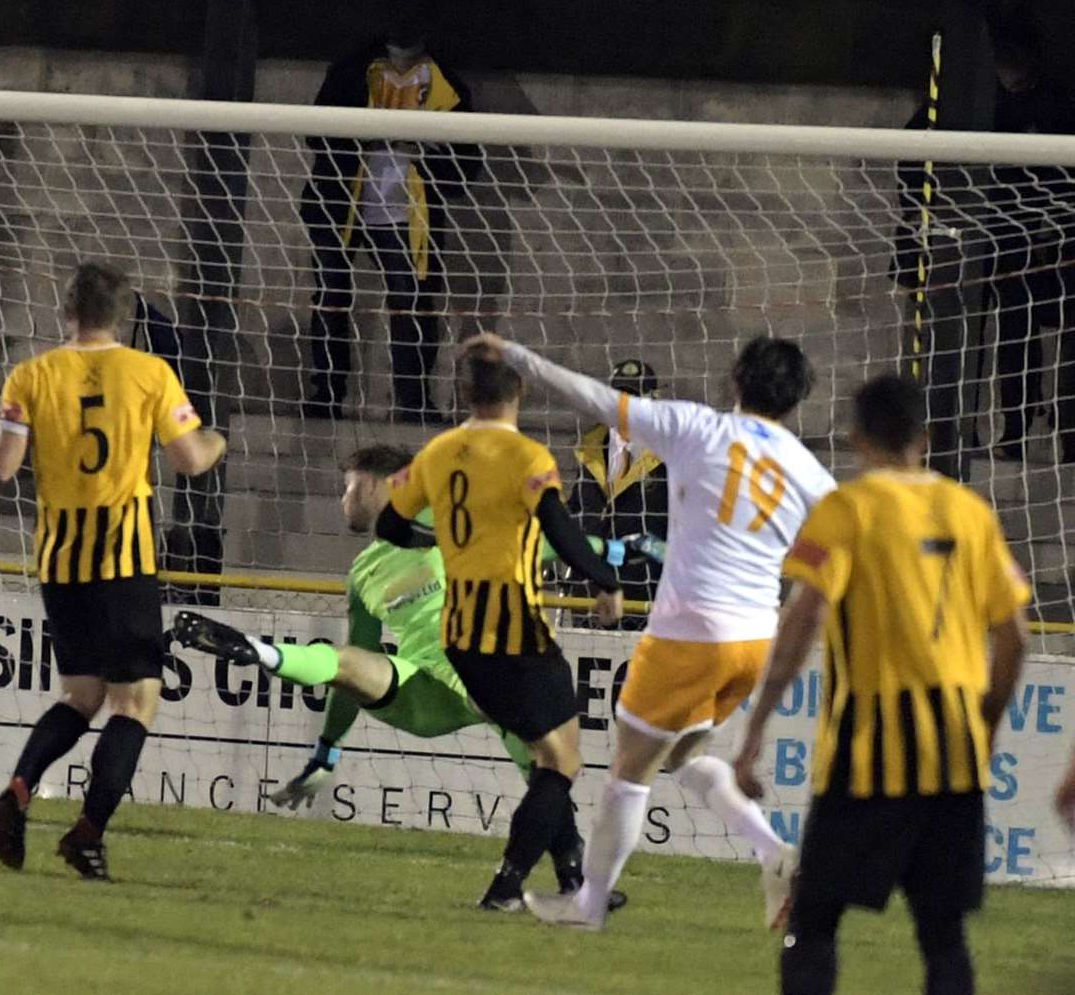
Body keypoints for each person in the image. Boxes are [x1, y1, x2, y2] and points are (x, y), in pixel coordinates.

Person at [173, 444, 641, 910]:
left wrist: (620, 550)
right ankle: (259, 651)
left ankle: (570, 876)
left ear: (377, 484)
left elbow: (545, 540)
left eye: (348, 488)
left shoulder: (454, 528)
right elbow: (355, 672)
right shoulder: (363, 571)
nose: (343, 501)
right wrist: (327, 749)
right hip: (424, 692)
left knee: (536, 754)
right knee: (347, 660)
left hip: (479, 670)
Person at [490, 333, 834, 933]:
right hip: (756, 641)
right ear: (796, 399)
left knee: (628, 772)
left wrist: (518, 357)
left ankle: (587, 906)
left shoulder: (693, 426)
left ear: (736, 379)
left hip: (689, 634)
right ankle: (773, 850)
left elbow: (593, 397)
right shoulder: (809, 469)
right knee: (686, 753)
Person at [0, 262, 227, 880]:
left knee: (80, 696)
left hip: (61, 562)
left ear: (68, 312)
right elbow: (191, 460)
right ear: (123, 317)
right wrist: (217, 439)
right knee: (133, 704)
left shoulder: (32, 374)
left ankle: (20, 789)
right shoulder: (150, 372)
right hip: (125, 559)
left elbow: (1, 468)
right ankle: (86, 834)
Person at [731, 374, 1030, 995]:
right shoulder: (970, 512)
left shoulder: (845, 510)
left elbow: (803, 618)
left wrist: (756, 728)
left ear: (857, 437)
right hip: (953, 753)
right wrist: (987, 725)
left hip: (865, 755)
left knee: (812, 920)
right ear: (926, 436)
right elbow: (1015, 636)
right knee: (942, 935)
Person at [371, 345, 625, 910]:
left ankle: (572, 878)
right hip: (515, 632)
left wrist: (438, 542)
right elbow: (558, 526)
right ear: (521, 393)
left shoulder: (437, 453)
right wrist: (604, 580)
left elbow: (388, 525)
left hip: (459, 635)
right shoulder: (527, 456)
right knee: (561, 761)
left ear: (465, 395)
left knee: (547, 758)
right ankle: (506, 887)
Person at [298, 0, 482, 424]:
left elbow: (467, 167)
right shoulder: (353, 69)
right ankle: (326, 396)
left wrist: (428, 150)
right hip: (341, 205)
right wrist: (369, 133)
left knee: (412, 306)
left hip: (408, 215)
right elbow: (316, 131)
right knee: (331, 300)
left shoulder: (446, 83)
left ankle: (413, 400)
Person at [983, 11, 1075, 462]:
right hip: (1011, 245)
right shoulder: (985, 105)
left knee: (1070, 341)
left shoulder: (1061, 103)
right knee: (1014, 339)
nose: (1008, 66)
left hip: (1063, 243)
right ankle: (1014, 430)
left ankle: (1070, 436)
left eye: (1014, 57)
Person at [568, 358, 669, 621]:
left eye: (632, 398)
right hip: (588, 594)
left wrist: (651, 553)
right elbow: (577, 511)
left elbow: (678, 538)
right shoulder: (591, 450)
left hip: (643, 599)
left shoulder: (670, 460)